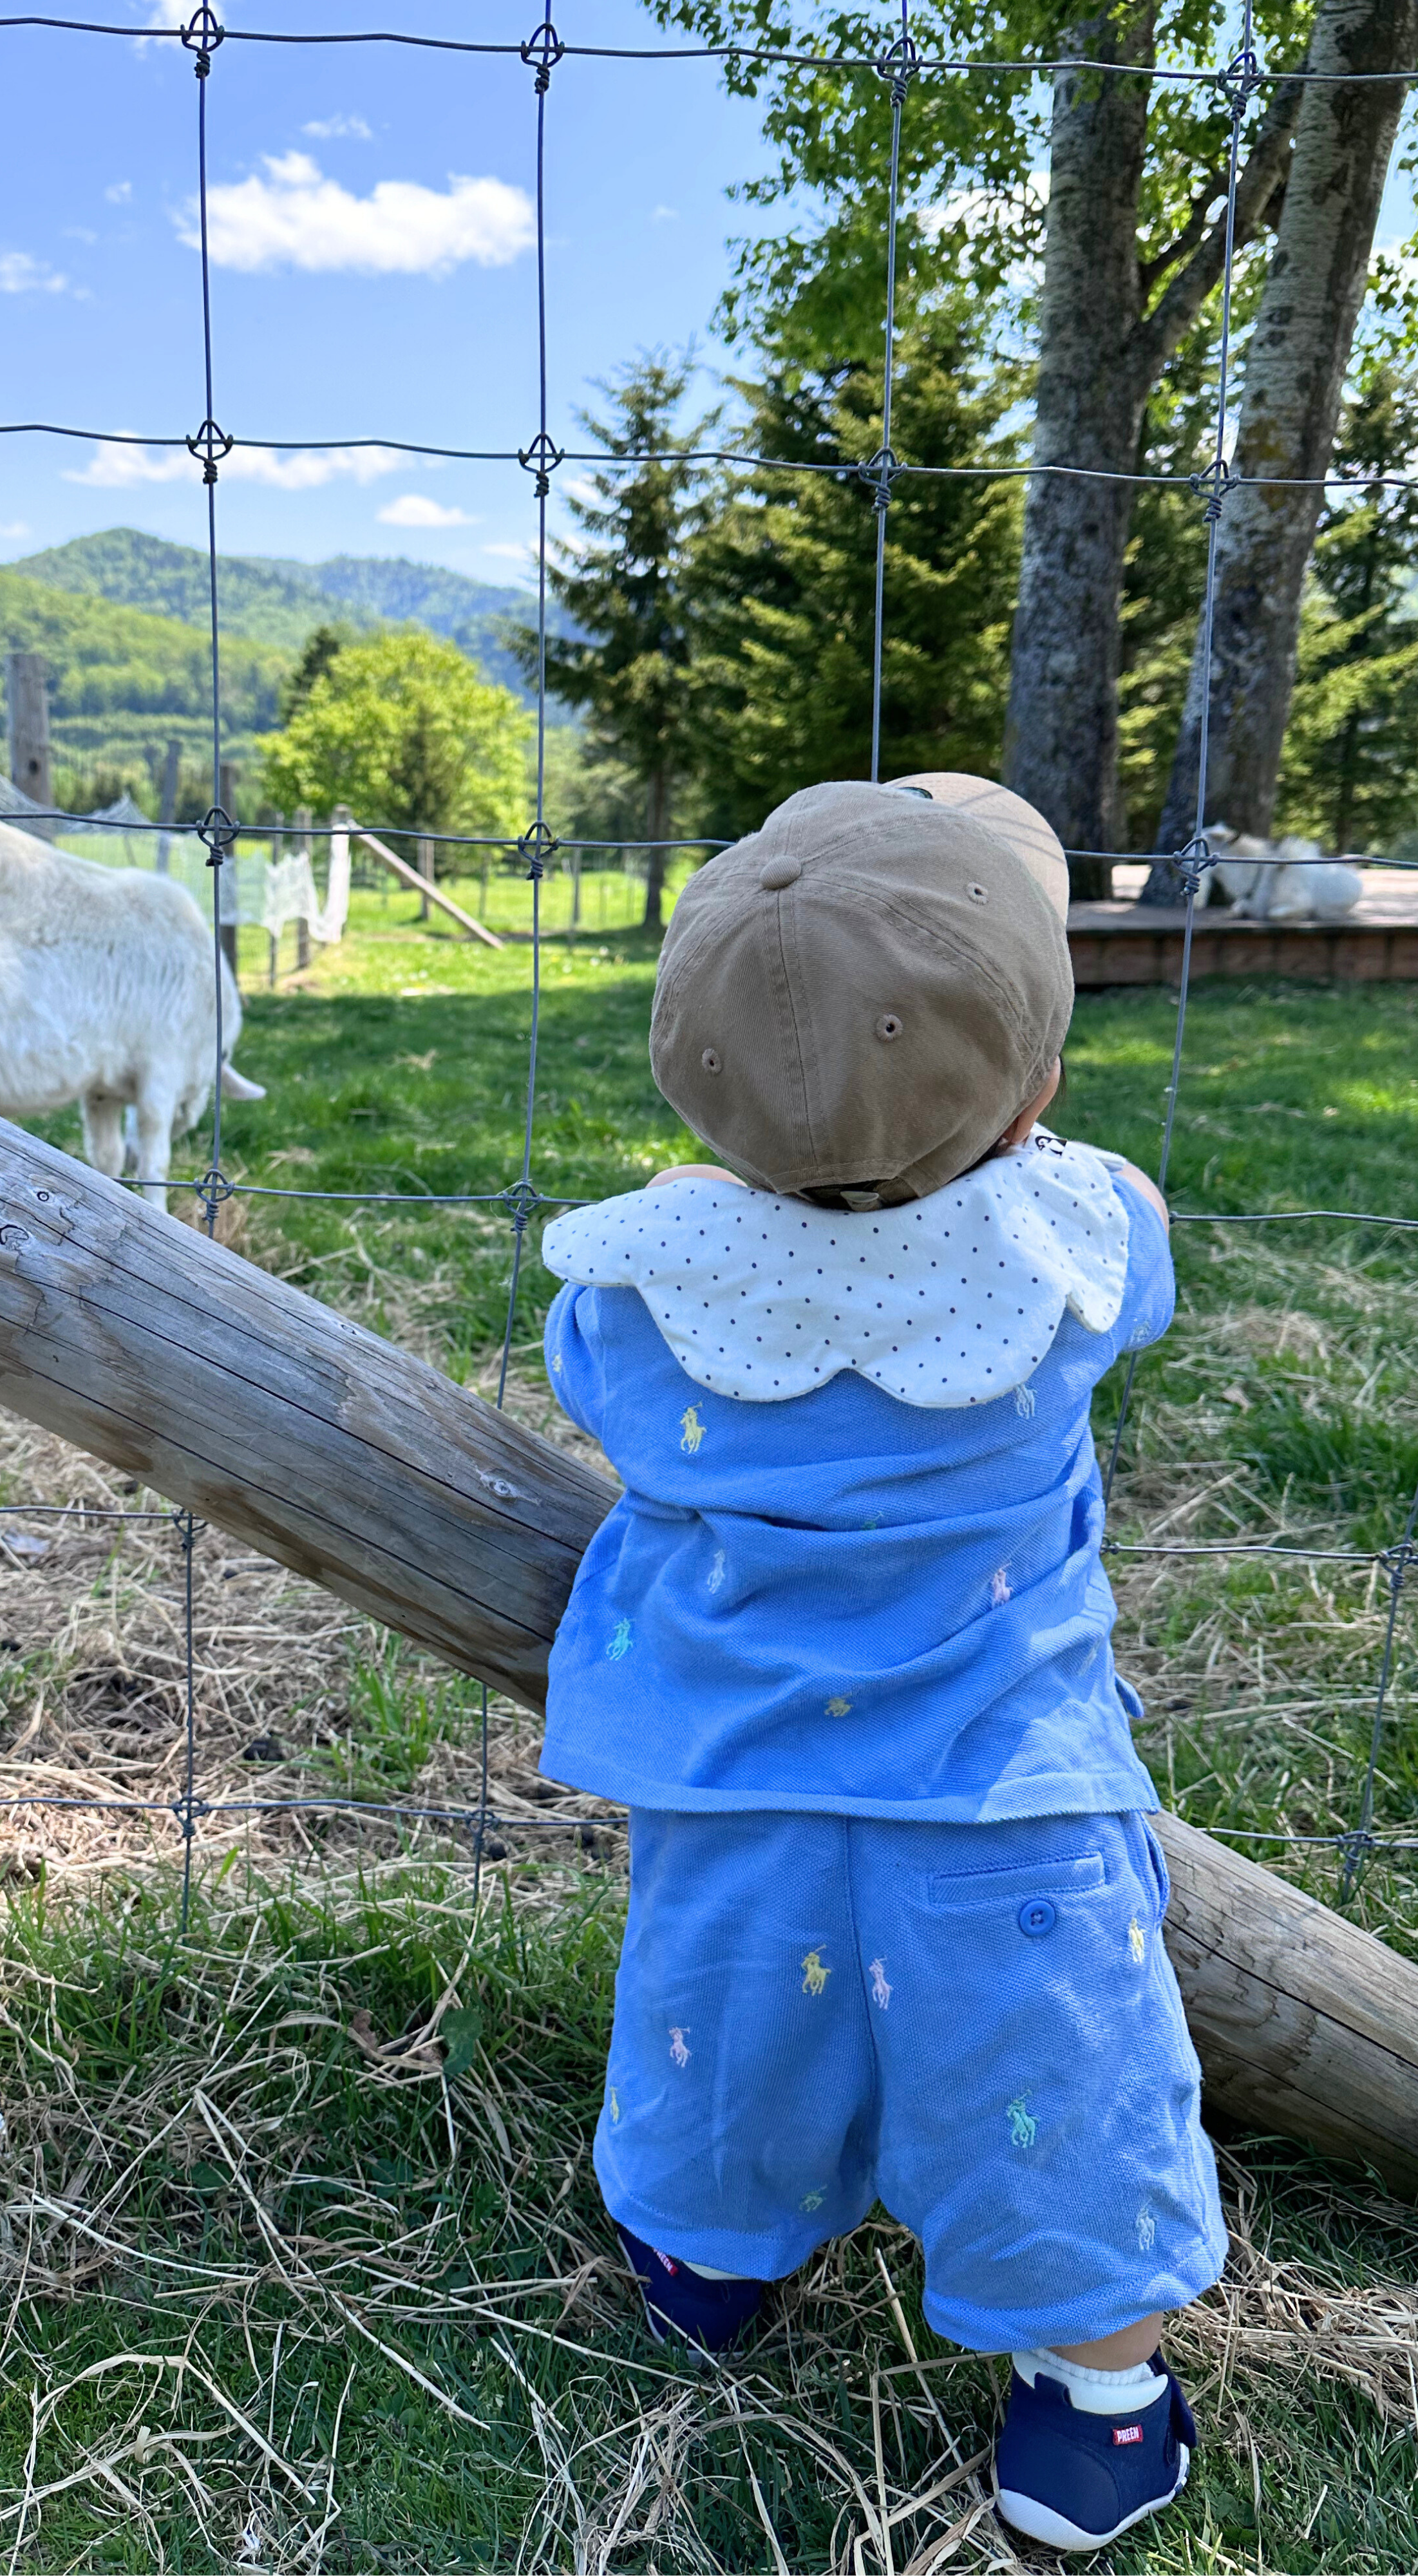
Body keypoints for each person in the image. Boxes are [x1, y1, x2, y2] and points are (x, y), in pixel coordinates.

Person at [538, 774, 1222, 2555]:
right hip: (1004, 1804)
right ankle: (1096, 2411)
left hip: (738, 1791)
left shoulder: (638, 1294)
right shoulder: (1074, 1257)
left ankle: (707, 2265)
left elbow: (589, 1381)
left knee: (721, 2045)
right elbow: (1121, 1235)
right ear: (1038, 1090)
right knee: (1058, 2086)